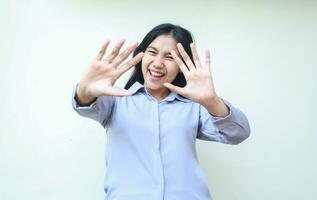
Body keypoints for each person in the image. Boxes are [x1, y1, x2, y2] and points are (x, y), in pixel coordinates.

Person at [72, 23, 250, 200]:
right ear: (141, 55)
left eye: (170, 57)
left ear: (182, 65)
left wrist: (212, 101)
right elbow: (84, 104)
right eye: (152, 52)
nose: (158, 63)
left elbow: (238, 133)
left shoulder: (194, 107)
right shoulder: (116, 100)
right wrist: (85, 90)